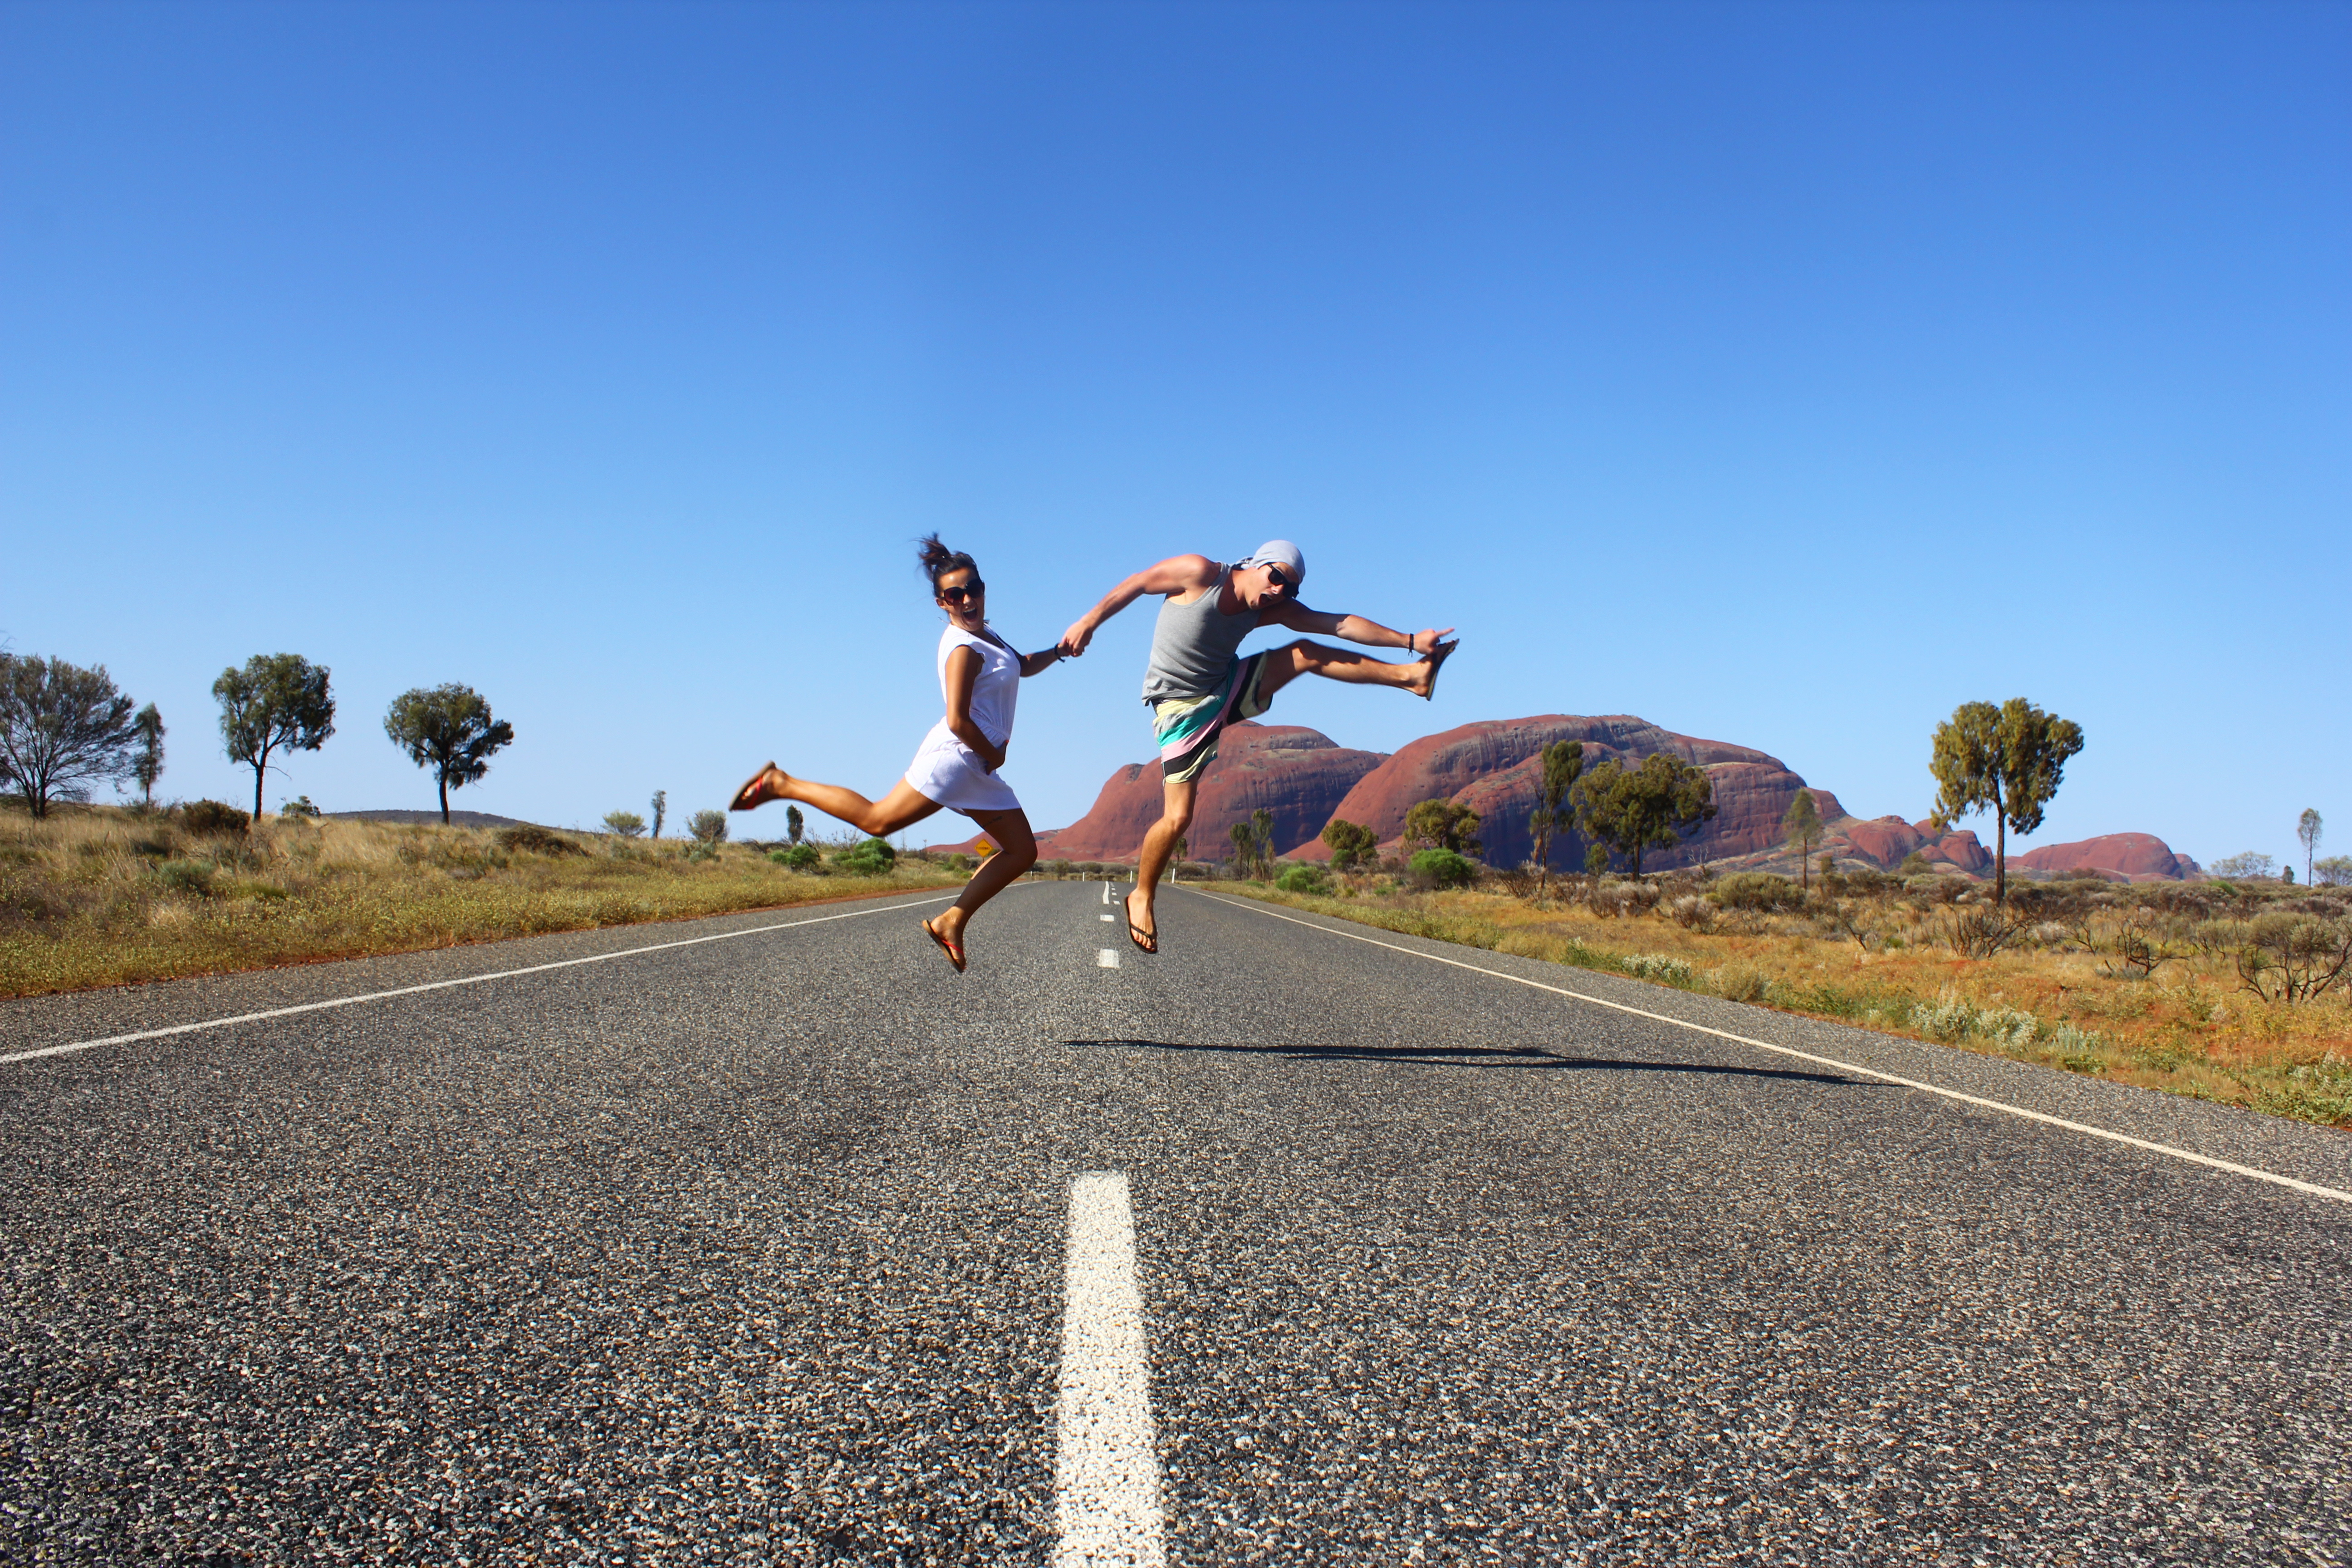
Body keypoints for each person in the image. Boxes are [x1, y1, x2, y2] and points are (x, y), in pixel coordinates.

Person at [1058, 540, 1455, 953]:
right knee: (1178, 818)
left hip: (1225, 685)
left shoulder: (1268, 608)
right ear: (1259, 564)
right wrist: (1089, 622)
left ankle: (1411, 678)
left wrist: (1409, 640)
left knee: (1305, 652)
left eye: (1291, 588)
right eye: (1277, 577)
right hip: (1180, 707)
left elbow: (1336, 624)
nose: (1281, 590)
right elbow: (1138, 583)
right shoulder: (1200, 573)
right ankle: (1142, 894)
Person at [729, 536, 1066, 971]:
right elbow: (959, 719)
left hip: (975, 766)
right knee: (878, 821)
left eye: (973, 588)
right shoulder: (963, 648)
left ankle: (951, 922)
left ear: (983, 587)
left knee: (1022, 851)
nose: (967, 599)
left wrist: (1058, 652)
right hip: (957, 759)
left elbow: (1020, 663)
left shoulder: (988, 637)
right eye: (955, 595)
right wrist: (994, 755)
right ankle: (781, 783)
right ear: (941, 603)